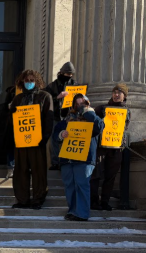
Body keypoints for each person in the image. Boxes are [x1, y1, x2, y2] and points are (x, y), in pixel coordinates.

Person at [53, 94, 104, 221]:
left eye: (83, 103)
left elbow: (99, 127)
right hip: (68, 158)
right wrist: (61, 135)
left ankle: (82, 213)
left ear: (88, 103)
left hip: (85, 158)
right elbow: (56, 133)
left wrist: (88, 112)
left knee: (82, 185)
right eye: (77, 103)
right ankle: (73, 210)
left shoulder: (92, 118)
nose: (80, 106)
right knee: (69, 186)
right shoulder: (67, 120)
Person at [8, 69, 53, 209]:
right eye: (26, 81)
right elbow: (11, 121)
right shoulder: (17, 99)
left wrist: (44, 138)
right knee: (20, 170)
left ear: (37, 81)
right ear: (22, 82)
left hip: (37, 142)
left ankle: (38, 199)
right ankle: (22, 199)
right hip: (20, 142)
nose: (29, 83)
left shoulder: (45, 96)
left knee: (38, 170)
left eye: (32, 80)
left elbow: (48, 119)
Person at [91, 83, 130, 211]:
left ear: (124, 96)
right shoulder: (102, 108)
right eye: (114, 92)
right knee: (96, 174)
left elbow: (125, 128)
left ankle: (105, 201)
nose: (116, 95)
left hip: (116, 147)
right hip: (101, 147)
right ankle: (94, 201)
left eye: (119, 93)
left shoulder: (127, 111)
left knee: (111, 176)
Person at [44, 62, 77, 170]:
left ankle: (67, 159)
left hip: (70, 116)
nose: (69, 76)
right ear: (61, 73)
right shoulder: (52, 86)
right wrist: (58, 97)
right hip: (55, 116)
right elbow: (45, 101)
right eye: (67, 74)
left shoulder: (74, 84)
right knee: (54, 138)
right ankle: (55, 162)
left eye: (71, 74)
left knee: (69, 137)